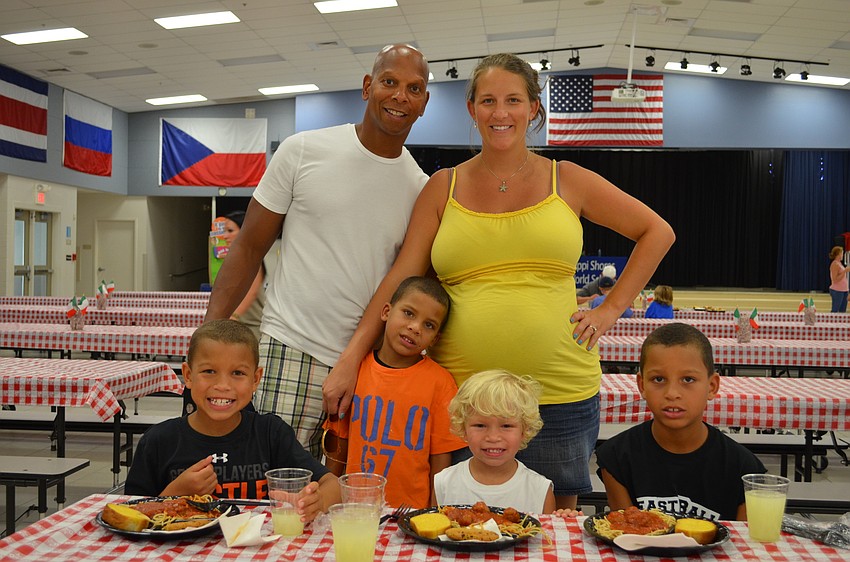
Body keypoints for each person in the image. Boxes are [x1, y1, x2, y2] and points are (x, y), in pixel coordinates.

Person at [323, 53, 675, 510]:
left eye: (513, 100)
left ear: (533, 108)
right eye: (488, 100)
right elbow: (401, 278)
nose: (500, 112)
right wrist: (352, 356)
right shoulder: (442, 187)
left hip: (558, 392)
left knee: (553, 530)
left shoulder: (567, 179)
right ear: (472, 109)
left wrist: (610, 309)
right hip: (460, 398)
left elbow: (657, 232)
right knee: (452, 524)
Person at [203, 44, 431, 459]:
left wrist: (354, 359)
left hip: (368, 364)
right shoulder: (303, 150)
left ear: (424, 102)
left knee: (349, 492)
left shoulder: (420, 188)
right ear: (368, 86)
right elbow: (249, 246)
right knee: (272, 485)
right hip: (290, 348)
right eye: (389, 82)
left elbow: (399, 287)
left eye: (413, 88)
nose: (400, 96)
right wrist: (209, 337)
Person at [125, 319, 340, 522]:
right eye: (209, 371)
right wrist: (175, 494)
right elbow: (129, 513)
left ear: (255, 379)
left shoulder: (271, 434)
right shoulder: (158, 441)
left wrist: (317, 502)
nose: (223, 385)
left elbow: (333, 485)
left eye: (237, 373)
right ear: (188, 376)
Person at [595, 323, 766, 521]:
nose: (672, 393)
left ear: (712, 386)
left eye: (688, 379)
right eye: (659, 379)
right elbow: (625, 532)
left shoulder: (744, 469)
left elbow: (746, 539)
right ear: (642, 385)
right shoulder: (616, 459)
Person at [322, 276, 466, 508]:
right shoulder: (355, 372)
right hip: (355, 509)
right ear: (386, 311)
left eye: (429, 325)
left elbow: (441, 460)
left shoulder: (440, 383)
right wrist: (328, 503)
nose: (415, 327)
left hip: (409, 512)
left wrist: (434, 513)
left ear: (436, 338)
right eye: (408, 313)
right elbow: (339, 446)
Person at [436, 370, 570, 516]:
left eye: (506, 426)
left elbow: (546, 530)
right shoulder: (444, 483)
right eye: (480, 425)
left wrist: (565, 519)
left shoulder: (540, 489)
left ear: (525, 430)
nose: (493, 437)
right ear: (463, 428)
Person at [219, 210, 266, 341]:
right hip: (238, 325)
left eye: (230, 231)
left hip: (251, 327)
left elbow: (252, 292)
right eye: (224, 231)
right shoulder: (232, 259)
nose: (224, 236)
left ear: (244, 232)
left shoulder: (251, 259)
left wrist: (234, 316)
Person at [829, 246, 849, 313]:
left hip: (844, 290)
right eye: (842, 253)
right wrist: (845, 271)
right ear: (838, 254)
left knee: (842, 311)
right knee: (835, 309)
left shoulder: (839, 264)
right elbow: (835, 279)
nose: (842, 255)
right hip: (837, 290)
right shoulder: (835, 264)